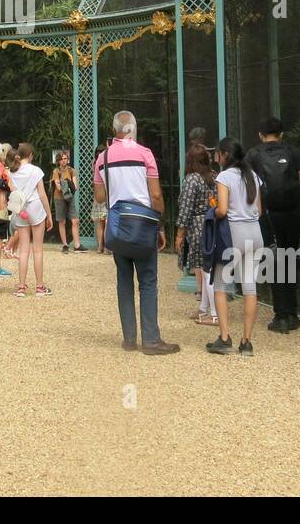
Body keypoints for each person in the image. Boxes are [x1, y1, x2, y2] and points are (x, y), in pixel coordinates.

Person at [93, 111, 179, 355]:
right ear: (132, 128)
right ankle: (151, 340)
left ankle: (129, 339)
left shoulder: (103, 157)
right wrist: (160, 224)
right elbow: (156, 195)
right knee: (148, 281)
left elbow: (99, 197)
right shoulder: (145, 154)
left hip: (117, 225)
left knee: (124, 280)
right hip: (143, 224)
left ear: (115, 130)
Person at [248, 117, 300, 333]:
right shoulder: (293, 152)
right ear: (281, 134)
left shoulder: (254, 155)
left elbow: (247, 186)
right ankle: (293, 314)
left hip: (267, 216)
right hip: (292, 214)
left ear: (260, 134)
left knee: (274, 262)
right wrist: (292, 190)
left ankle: (280, 316)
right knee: (290, 259)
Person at [206, 137, 264, 357]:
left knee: (220, 285)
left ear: (224, 155)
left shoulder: (224, 176)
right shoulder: (253, 176)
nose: (215, 157)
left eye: (217, 154)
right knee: (250, 287)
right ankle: (246, 342)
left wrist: (211, 212)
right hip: (255, 233)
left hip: (234, 233)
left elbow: (221, 210)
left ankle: (224, 338)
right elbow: (259, 210)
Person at [176, 141, 218, 326]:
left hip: (197, 226)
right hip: (213, 223)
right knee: (207, 267)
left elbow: (185, 207)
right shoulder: (213, 177)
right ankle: (203, 308)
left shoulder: (192, 179)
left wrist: (180, 233)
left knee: (205, 268)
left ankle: (215, 314)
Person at [8, 143, 53, 297]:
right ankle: (40, 287)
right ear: (31, 155)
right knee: (38, 249)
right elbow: (42, 194)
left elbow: (13, 193)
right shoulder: (35, 171)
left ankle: (21, 287)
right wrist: (49, 214)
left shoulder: (12, 171)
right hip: (36, 208)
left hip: (21, 210)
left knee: (24, 250)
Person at [50, 150, 85, 253]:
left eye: (65, 158)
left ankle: (77, 245)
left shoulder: (71, 170)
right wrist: (67, 184)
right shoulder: (56, 171)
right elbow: (58, 187)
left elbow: (75, 186)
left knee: (75, 220)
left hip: (69, 197)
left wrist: (66, 184)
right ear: (58, 161)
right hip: (59, 198)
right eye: (62, 159)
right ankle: (65, 244)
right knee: (62, 221)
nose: (64, 161)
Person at [91, 143, 109, 253]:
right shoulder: (107, 162)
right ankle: (107, 247)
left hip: (98, 193)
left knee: (100, 222)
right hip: (107, 193)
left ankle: (100, 247)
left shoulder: (94, 163)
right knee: (106, 221)